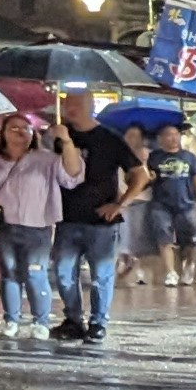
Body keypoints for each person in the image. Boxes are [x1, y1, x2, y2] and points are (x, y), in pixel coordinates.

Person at [0, 112, 71, 340]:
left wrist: (67, 142)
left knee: (35, 274)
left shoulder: (47, 159)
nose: (21, 132)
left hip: (38, 226)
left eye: (26, 128)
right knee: (9, 273)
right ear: (2, 133)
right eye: (14, 128)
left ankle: (40, 321)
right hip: (4, 227)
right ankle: (11, 320)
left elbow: (72, 177)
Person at [52, 89, 142, 343]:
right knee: (63, 272)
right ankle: (73, 319)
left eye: (78, 103)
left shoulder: (109, 138)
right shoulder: (59, 135)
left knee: (101, 275)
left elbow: (140, 173)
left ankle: (98, 322)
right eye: (68, 102)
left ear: (91, 106)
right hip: (67, 217)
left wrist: (120, 203)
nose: (72, 107)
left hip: (101, 221)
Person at [136, 123, 196, 287]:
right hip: (161, 204)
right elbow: (144, 180)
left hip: (187, 204)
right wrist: (148, 176)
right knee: (164, 239)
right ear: (160, 139)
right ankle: (170, 272)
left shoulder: (189, 157)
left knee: (195, 241)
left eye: (176, 134)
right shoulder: (154, 157)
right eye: (168, 135)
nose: (173, 138)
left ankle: (189, 266)